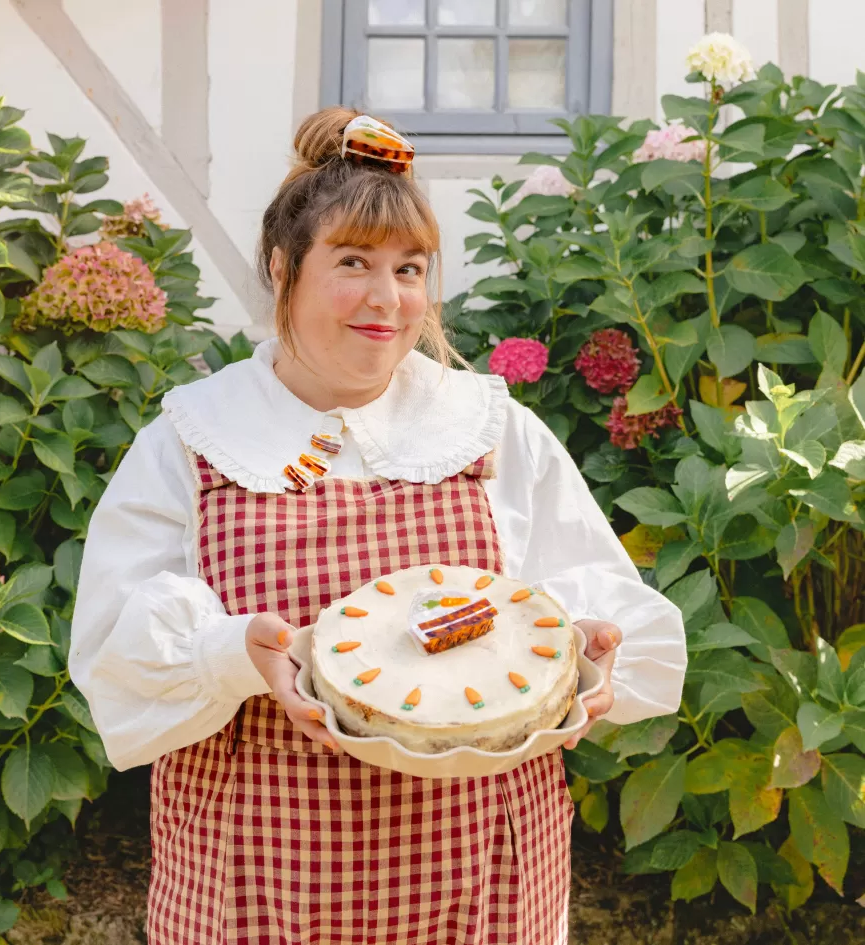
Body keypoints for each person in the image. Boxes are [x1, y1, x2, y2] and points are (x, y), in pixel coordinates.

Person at [70, 107, 686, 945]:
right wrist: (229, 654)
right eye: (353, 261)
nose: (386, 299)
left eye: (409, 268)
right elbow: (113, 658)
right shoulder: (195, 438)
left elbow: (608, 609)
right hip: (262, 875)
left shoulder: (487, 428)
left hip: (483, 877)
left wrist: (587, 654)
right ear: (284, 268)